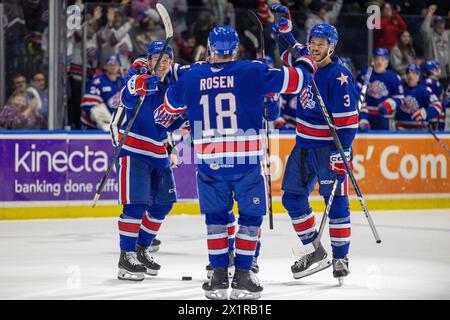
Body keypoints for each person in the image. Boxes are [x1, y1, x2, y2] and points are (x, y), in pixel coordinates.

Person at [161, 25, 316, 300]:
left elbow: (167, 112)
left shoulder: (193, 75)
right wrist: (302, 56)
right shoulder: (252, 71)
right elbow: (300, 79)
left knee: (217, 219)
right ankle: (243, 275)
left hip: (209, 161)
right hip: (245, 160)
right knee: (250, 218)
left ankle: (218, 277)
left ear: (210, 49)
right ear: (235, 49)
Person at [270, 4, 359, 285]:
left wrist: (342, 152)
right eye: (313, 42)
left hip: (328, 150)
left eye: (321, 44)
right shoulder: (305, 62)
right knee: (291, 198)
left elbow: (348, 123)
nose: (315, 47)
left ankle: (341, 257)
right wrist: (283, 26)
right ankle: (315, 250)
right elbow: (287, 46)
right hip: (303, 146)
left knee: (336, 204)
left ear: (331, 47)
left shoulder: (339, 77)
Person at [113, 41, 186, 281]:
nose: (163, 64)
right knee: (135, 204)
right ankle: (126, 256)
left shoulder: (172, 87)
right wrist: (138, 84)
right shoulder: (140, 75)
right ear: (149, 60)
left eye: (167, 60)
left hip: (159, 153)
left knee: (163, 203)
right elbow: (126, 98)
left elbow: (168, 122)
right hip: (133, 150)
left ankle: (141, 248)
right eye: (158, 60)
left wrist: (183, 119)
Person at [357, 48, 404, 131]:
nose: (380, 62)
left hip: (385, 119)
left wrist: (388, 105)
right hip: (366, 116)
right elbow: (357, 94)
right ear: (373, 60)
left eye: (383, 59)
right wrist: (362, 118)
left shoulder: (393, 77)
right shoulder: (365, 74)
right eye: (377, 59)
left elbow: (400, 99)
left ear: (387, 61)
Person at [80, 56, 125, 131]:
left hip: (115, 127)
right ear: (105, 66)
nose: (113, 66)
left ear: (119, 67)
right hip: (93, 127)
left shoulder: (123, 82)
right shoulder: (98, 81)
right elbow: (90, 104)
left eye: (115, 64)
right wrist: (106, 122)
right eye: (110, 64)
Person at [396, 64, 442, 130]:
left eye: (414, 73)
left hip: (420, 131)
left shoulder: (425, 90)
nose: (410, 76)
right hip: (401, 129)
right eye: (408, 73)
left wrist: (425, 113)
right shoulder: (399, 88)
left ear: (418, 76)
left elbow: (437, 106)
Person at [421, 4, 450, 85]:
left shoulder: (447, 34)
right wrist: (430, 13)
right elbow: (424, 29)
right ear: (433, 24)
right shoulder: (429, 35)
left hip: (445, 72)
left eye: (441, 23)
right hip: (432, 72)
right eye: (437, 23)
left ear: (444, 24)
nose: (439, 25)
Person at [422, 60, 446, 130]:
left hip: (431, 113)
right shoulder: (434, 84)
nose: (440, 70)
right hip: (434, 115)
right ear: (433, 71)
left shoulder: (425, 82)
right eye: (438, 68)